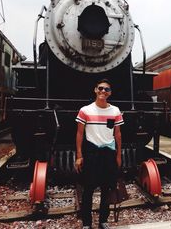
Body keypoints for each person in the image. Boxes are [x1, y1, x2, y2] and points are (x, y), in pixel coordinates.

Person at [75, 79, 124, 229]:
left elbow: (118, 134)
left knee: (106, 188)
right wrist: (79, 155)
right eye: (101, 88)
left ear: (110, 93)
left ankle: (103, 220)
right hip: (92, 152)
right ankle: (87, 223)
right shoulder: (85, 110)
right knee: (88, 189)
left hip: (109, 153)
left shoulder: (115, 111)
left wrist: (118, 155)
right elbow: (79, 133)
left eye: (107, 89)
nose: (103, 91)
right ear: (95, 90)